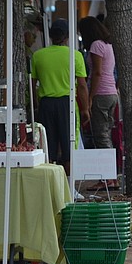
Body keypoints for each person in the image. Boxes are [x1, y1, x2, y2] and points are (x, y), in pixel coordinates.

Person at [30, 19, 90, 174]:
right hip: (66, 103)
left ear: (50, 36)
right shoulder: (75, 56)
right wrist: (85, 109)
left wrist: (36, 104)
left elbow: (32, 84)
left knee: (47, 145)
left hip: (46, 103)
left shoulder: (38, 56)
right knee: (68, 145)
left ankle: (49, 184)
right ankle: (69, 186)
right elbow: (82, 86)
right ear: (67, 37)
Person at [78, 16, 120, 190]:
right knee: (107, 134)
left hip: (101, 93)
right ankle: (111, 176)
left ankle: (107, 177)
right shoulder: (108, 45)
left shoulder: (96, 45)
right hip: (111, 93)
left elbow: (97, 72)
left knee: (100, 135)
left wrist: (90, 97)